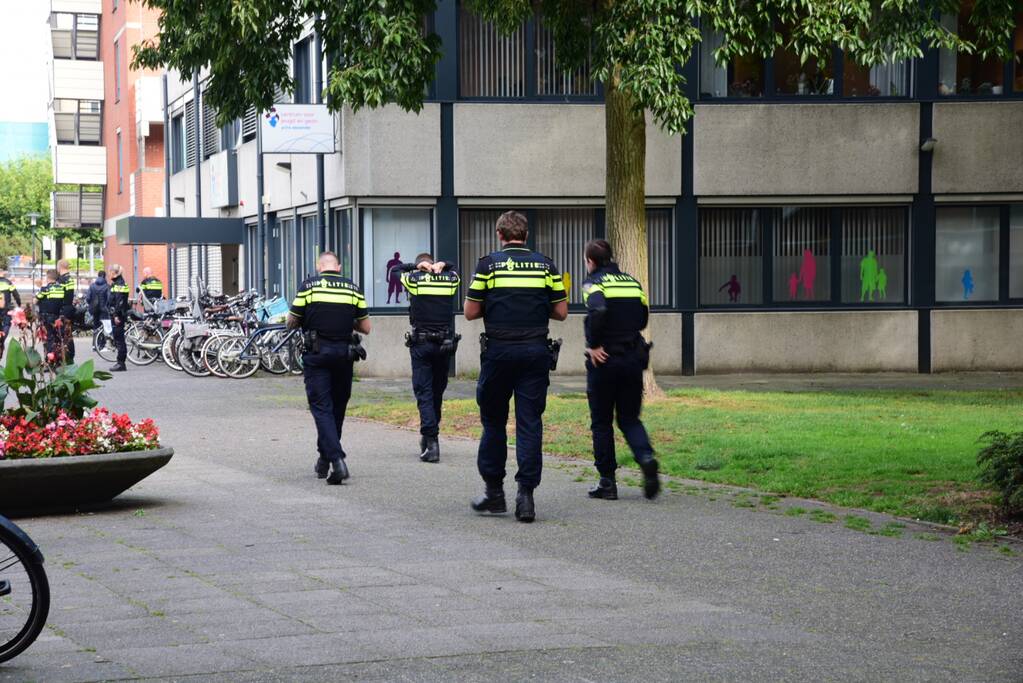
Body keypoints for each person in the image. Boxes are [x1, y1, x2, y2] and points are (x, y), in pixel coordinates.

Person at [464, 210, 568, 523]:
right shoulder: (546, 265)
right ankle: (526, 497)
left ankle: (494, 493)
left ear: (499, 235)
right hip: (535, 352)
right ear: (526, 234)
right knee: (529, 422)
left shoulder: (488, 265)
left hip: (499, 353)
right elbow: (561, 312)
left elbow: (470, 312)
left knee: (493, 421)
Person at [580, 239, 660, 501]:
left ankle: (607, 482)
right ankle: (646, 458)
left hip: (604, 360)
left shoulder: (593, 282)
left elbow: (598, 309)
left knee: (601, 422)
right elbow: (643, 318)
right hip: (632, 358)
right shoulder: (632, 282)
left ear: (590, 261)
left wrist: (593, 344)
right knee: (629, 419)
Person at [287, 252, 371, 485]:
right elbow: (366, 327)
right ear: (339, 267)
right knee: (337, 408)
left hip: (317, 355)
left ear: (319, 266)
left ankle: (337, 460)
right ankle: (324, 460)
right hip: (344, 355)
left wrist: (304, 319)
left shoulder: (308, 286)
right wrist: (346, 320)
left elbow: (292, 321)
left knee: (322, 408)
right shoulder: (353, 288)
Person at [395, 253, 460, 463]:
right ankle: (430, 435)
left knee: (424, 392)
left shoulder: (414, 280)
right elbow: (455, 268)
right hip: (444, 345)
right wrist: (444, 264)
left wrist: (415, 267)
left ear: (422, 265)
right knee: (436, 392)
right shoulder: (450, 280)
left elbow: (395, 270)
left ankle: (431, 442)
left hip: (422, 345)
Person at [36, 270, 65, 363]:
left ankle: (49, 359)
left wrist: (40, 287)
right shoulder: (61, 289)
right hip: (58, 317)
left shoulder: (45, 289)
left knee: (49, 338)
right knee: (57, 338)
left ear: (48, 278)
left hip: (47, 317)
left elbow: (36, 299)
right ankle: (58, 358)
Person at [107, 264, 130, 372]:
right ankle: (120, 362)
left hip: (118, 315)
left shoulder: (119, 284)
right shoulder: (117, 283)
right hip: (117, 314)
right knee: (118, 339)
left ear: (114, 272)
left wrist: (116, 315)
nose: (108, 274)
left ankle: (121, 363)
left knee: (119, 340)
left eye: (110, 272)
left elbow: (119, 301)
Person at [56, 259, 76, 363]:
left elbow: (58, 296)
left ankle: (66, 357)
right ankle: (70, 356)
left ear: (60, 267)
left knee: (62, 335)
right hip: (69, 308)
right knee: (68, 334)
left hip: (62, 309)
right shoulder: (70, 279)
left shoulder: (62, 280)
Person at [0, 267, 22, 360]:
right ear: (3, 273)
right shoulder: (8, 282)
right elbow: (15, 294)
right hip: (6, 309)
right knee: (6, 325)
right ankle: (2, 338)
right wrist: (19, 304)